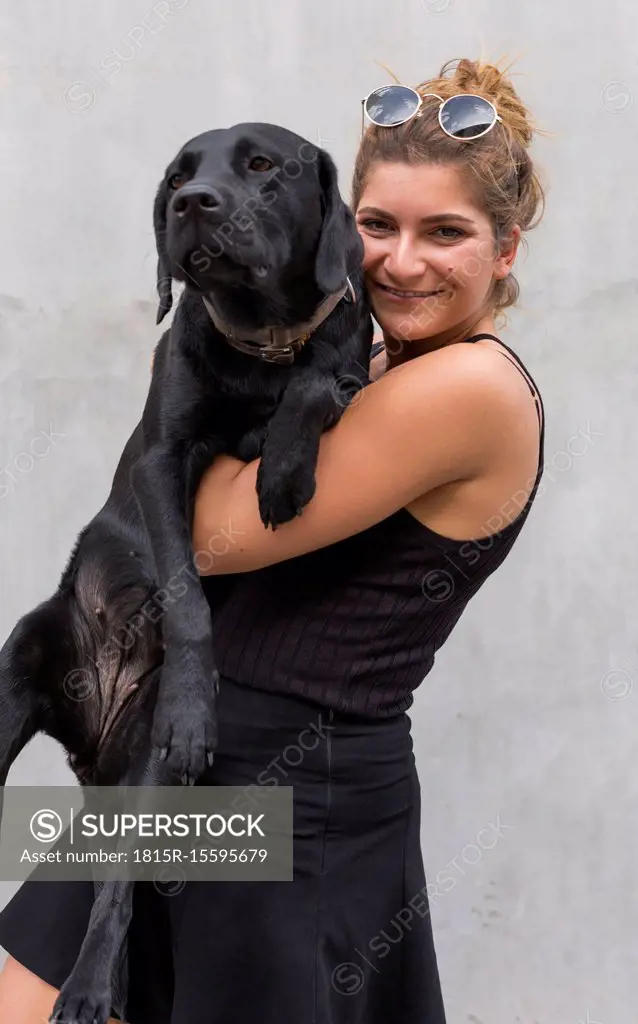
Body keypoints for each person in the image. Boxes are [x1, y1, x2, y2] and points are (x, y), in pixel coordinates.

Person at [0, 56, 546, 1023]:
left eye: (447, 233)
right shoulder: (361, 356)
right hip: (189, 765)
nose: (403, 262)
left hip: (291, 800)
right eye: (381, 227)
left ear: (505, 250)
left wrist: (209, 412)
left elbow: (214, 534)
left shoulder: (467, 387)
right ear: (342, 229)